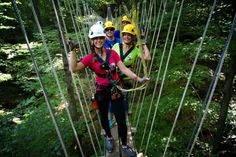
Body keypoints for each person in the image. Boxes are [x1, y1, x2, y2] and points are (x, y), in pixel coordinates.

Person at [69, 23, 149, 157]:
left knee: (121, 119)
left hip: (115, 88)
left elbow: (123, 68)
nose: (98, 40)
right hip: (101, 91)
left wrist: (138, 78)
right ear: (92, 41)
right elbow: (74, 68)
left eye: (100, 38)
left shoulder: (113, 53)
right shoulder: (90, 58)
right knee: (104, 116)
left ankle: (124, 145)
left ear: (104, 38)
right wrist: (72, 51)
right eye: (95, 39)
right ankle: (109, 137)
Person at [112, 23, 151, 116]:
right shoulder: (116, 46)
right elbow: (110, 58)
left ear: (133, 37)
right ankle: (113, 116)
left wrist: (143, 43)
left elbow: (148, 58)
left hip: (126, 77)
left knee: (124, 97)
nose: (126, 37)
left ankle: (125, 117)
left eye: (129, 35)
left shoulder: (136, 50)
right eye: (125, 34)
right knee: (112, 97)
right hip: (114, 76)